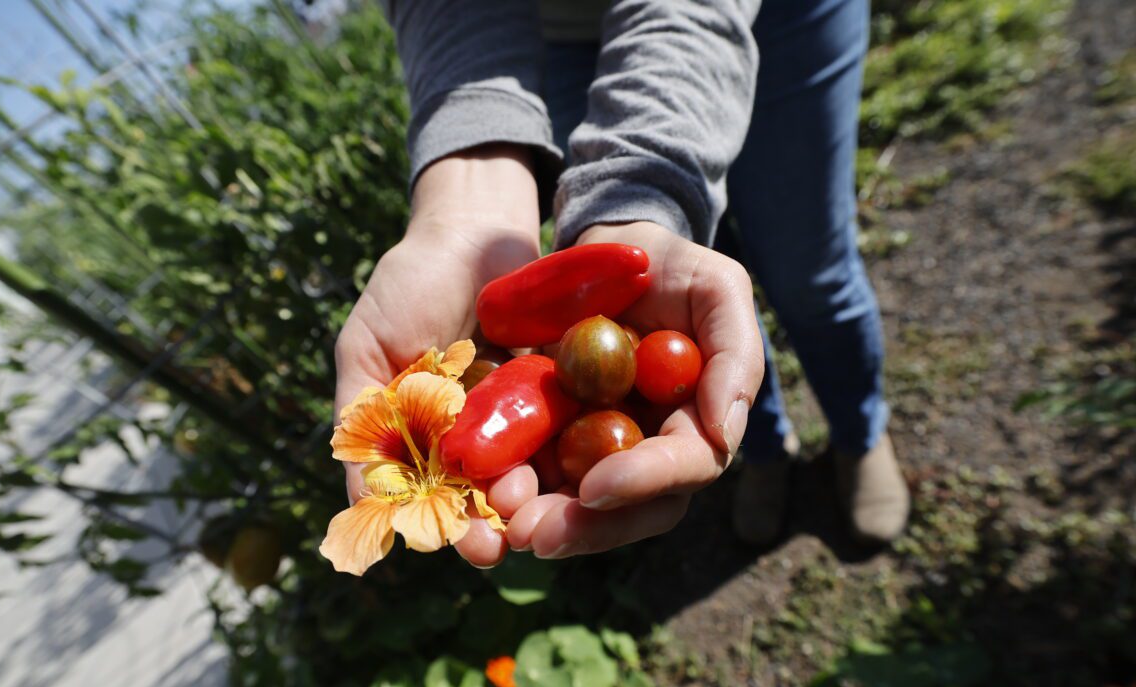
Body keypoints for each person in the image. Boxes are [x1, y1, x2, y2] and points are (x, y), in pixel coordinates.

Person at [334, 0, 909, 569]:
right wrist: (466, 200)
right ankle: (763, 447)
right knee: (701, 297)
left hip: (772, 15)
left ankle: (859, 433)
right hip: (553, 31)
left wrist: (641, 188)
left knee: (807, 268)